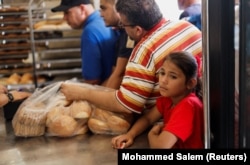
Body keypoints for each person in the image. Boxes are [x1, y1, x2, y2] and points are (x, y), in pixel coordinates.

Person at [60, 0, 202, 118]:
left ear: (138, 30)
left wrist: (81, 93)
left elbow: (127, 104)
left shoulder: (144, 51)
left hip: (168, 126)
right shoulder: (187, 26)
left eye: (123, 25)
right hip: (198, 113)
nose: (121, 28)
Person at [111, 51, 204, 149]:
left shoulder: (188, 105)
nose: (163, 80)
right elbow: (148, 118)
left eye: (173, 76)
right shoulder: (169, 99)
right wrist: (130, 135)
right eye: (162, 73)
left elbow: (160, 147)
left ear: (190, 83)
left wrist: (152, 134)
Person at [51, 0, 119, 85]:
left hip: (105, 90)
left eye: (67, 12)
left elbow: (92, 81)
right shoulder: (105, 22)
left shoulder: (89, 32)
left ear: (82, 8)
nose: (64, 18)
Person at [99, 0, 134, 89]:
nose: (101, 15)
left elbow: (118, 75)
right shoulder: (122, 34)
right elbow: (114, 74)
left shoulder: (129, 35)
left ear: (119, 7)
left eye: (104, 8)